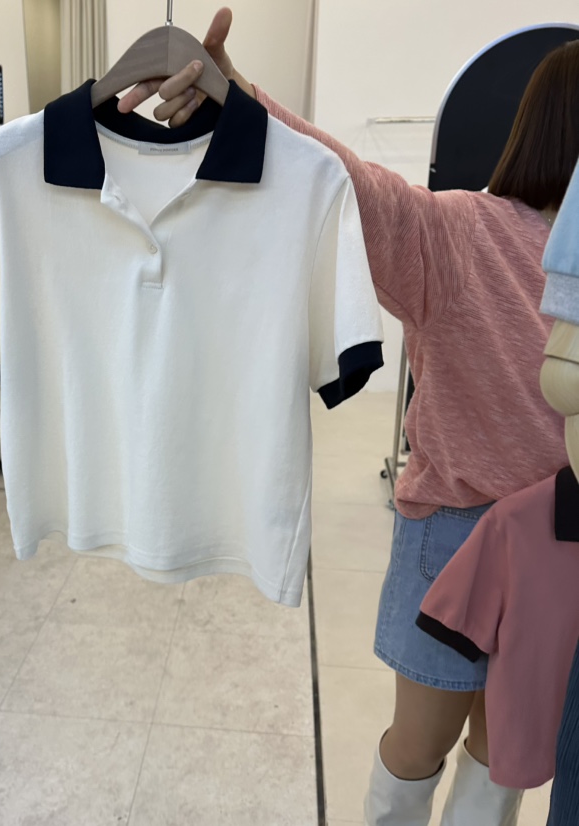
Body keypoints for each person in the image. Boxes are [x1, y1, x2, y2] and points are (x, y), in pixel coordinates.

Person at [118, 10, 578, 825]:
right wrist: (240, 99)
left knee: (501, 750)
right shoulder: (465, 233)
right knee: (423, 744)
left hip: (553, 541)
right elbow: (350, 182)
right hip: (457, 534)